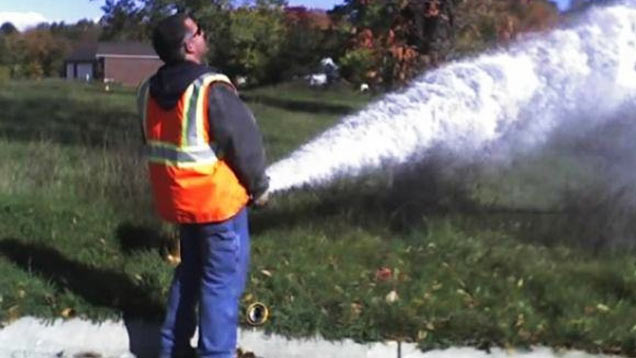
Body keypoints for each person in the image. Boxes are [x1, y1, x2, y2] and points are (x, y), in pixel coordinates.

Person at [136, 13, 269, 358]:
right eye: (199, 31)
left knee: (190, 274)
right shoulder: (210, 88)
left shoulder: (147, 91)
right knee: (221, 284)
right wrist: (259, 187)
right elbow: (245, 143)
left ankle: (172, 350)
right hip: (218, 207)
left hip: (180, 205)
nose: (204, 35)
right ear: (189, 44)